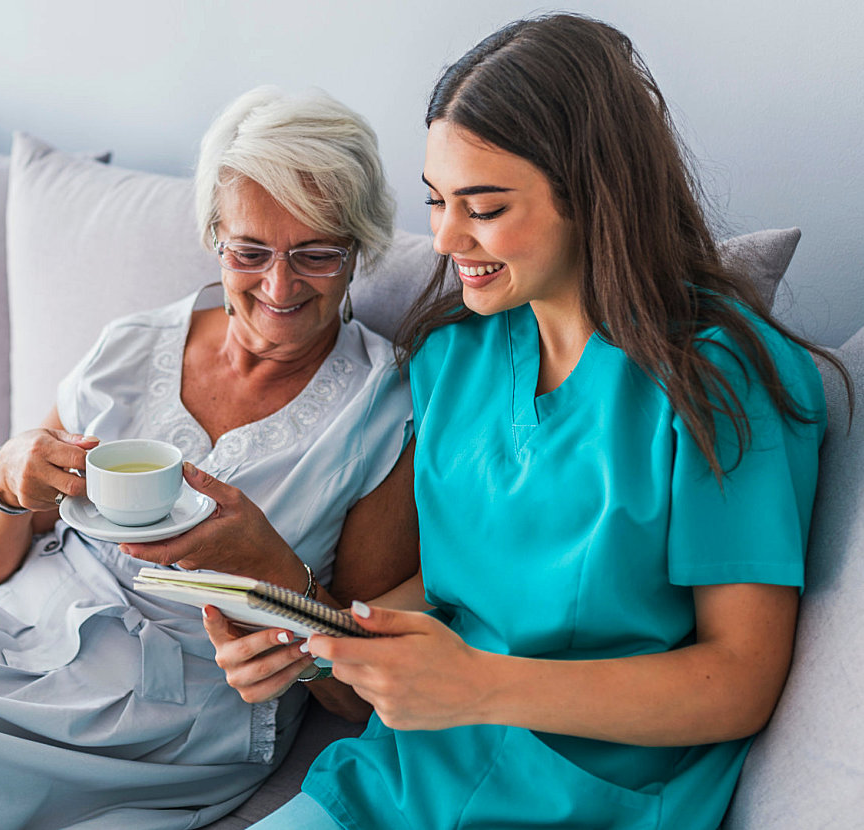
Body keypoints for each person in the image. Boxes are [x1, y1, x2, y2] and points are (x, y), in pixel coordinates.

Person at [206, 14, 852, 830]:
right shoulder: (451, 357)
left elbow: (738, 680)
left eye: (482, 207)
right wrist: (314, 641)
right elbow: (448, 595)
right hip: (405, 779)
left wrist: (479, 684)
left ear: (588, 194)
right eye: (437, 200)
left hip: (593, 800)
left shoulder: (714, 378)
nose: (443, 238)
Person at [0, 86, 420, 830]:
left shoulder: (382, 411)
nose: (278, 286)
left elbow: (360, 693)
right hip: (17, 631)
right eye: (249, 252)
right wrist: (6, 475)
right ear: (214, 237)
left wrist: (272, 570)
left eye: (316, 254)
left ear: (359, 248)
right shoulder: (129, 346)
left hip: (169, 709)